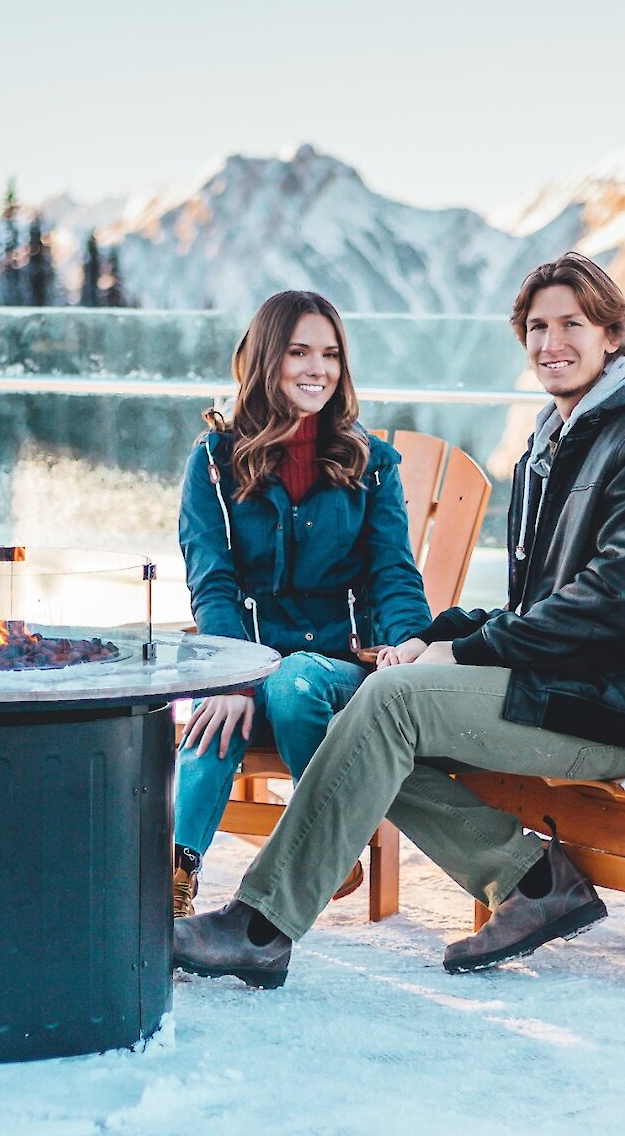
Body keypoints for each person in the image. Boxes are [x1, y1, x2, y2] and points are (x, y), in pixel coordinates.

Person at [174, 253, 625, 988]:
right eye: (537, 326)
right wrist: (434, 639)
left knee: (387, 705)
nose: (551, 342)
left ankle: (262, 925)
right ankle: (531, 883)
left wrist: (466, 650)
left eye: (572, 323)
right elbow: (538, 608)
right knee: (364, 703)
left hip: (623, 705)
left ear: (613, 334)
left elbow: (616, 602)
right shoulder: (557, 440)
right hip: (565, 685)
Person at [172, 290, 433, 917]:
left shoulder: (371, 465)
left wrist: (411, 644)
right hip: (252, 658)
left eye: (331, 354)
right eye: (299, 352)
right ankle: (171, 880)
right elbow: (213, 582)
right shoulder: (212, 463)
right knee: (215, 721)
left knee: (294, 684)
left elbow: (393, 571)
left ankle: (328, 845)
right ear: (267, 358)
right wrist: (230, 675)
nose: (318, 368)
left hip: (340, 667)